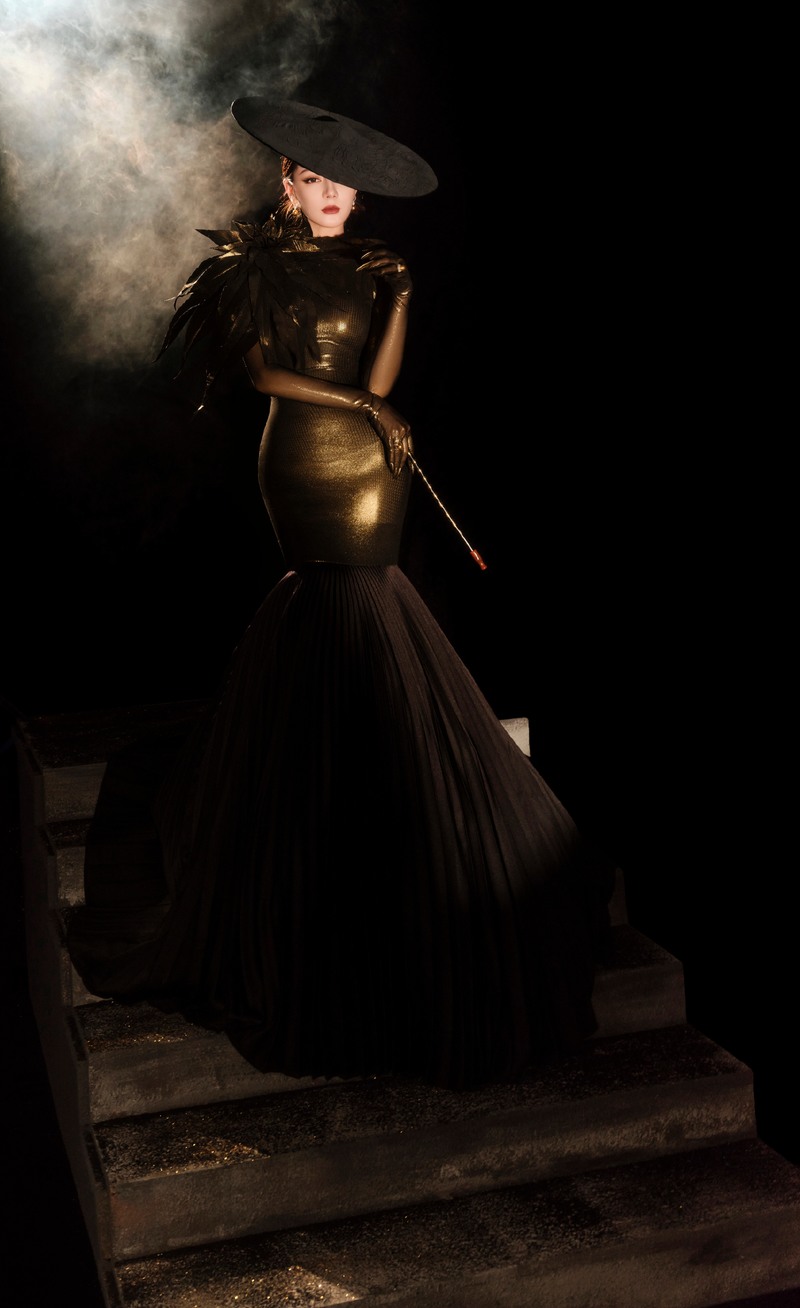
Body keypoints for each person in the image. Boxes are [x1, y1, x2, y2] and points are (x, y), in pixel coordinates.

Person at [66, 97, 613, 1090]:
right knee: (333, 605)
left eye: (342, 183)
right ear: (288, 182)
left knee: (374, 600)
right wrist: (361, 402)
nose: (330, 195)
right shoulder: (254, 266)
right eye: (313, 178)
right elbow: (266, 377)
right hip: (307, 459)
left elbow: (386, 380)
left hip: (375, 464)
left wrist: (399, 300)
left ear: (358, 194)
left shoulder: (370, 264)